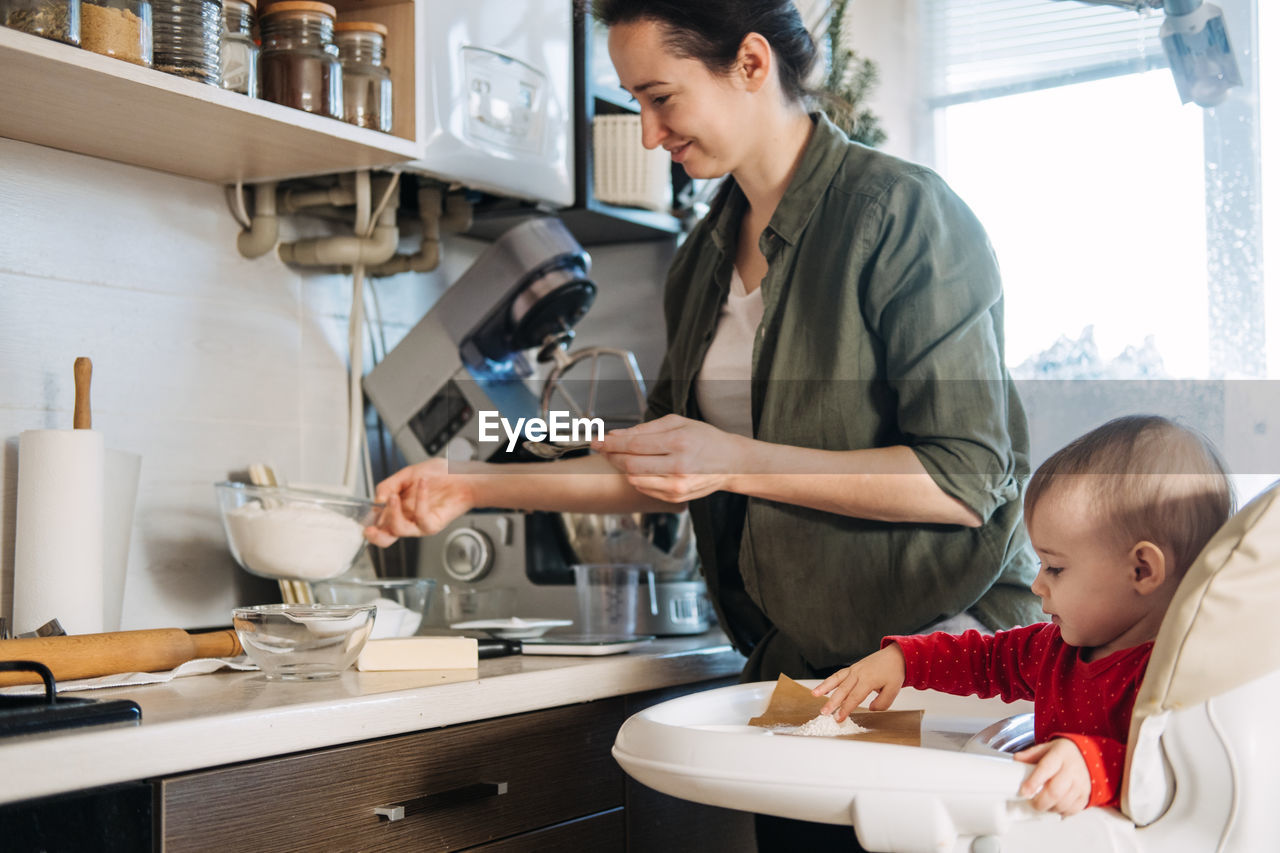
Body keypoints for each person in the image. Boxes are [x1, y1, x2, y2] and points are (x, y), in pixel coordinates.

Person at [366, 1, 1041, 845]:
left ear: (752, 64)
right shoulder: (700, 264)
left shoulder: (902, 217)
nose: (649, 134)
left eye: (661, 97)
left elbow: (965, 480)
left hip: (948, 666)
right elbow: (659, 467)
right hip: (806, 675)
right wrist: (466, 485)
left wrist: (734, 460)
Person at [813, 415, 1234, 816]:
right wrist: (904, 660)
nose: (1037, 585)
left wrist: (1094, 765)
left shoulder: (1179, 678)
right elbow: (983, 659)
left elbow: (1181, 774)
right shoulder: (1055, 649)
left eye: (1054, 567)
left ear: (1141, 570)